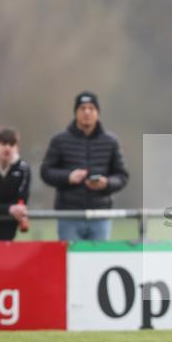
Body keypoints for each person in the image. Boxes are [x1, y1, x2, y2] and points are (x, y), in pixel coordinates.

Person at [40, 91, 129, 241]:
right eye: (82, 108)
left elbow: (122, 176)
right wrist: (68, 177)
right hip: (69, 216)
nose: (87, 112)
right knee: (70, 261)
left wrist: (106, 183)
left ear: (98, 112)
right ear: (75, 112)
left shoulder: (111, 142)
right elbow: (46, 172)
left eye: (91, 108)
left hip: (100, 216)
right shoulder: (59, 140)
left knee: (99, 262)